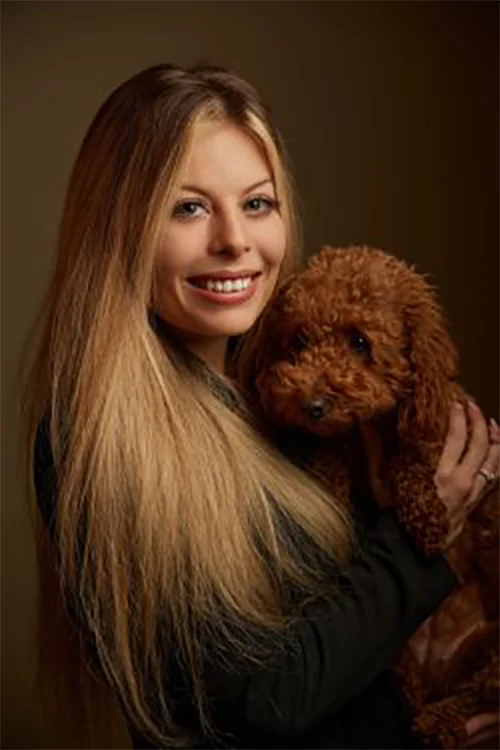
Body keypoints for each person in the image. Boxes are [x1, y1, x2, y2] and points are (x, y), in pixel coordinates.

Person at [23, 64, 499, 750]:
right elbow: (267, 699)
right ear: (119, 231)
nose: (235, 241)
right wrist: (421, 538)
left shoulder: (293, 402)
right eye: (188, 207)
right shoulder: (93, 438)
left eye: (256, 203)